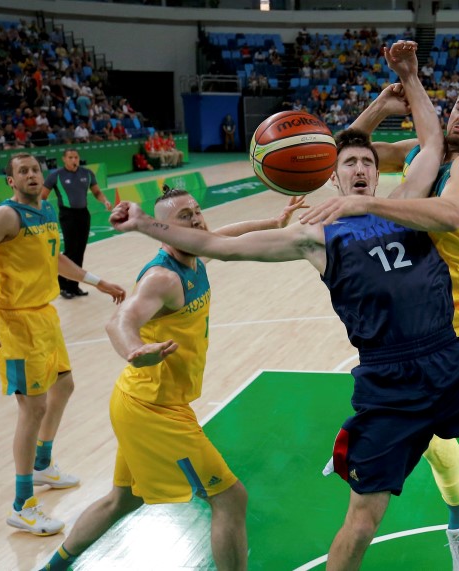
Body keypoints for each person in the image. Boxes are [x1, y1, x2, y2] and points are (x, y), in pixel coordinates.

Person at [111, 42, 459, 571]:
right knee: (358, 528)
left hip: (451, 359)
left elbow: (429, 139)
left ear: (376, 174)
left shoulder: (407, 204)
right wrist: (144, 224)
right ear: (333, 176)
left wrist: (412, 76)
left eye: (365, 162)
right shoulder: (315, 238)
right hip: (389, 385)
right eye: (348, 163)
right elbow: (218, 245)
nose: (358, 168)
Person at [39, 189, 308, 571]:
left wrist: (273, 222)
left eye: (197, 212)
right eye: (185, 216)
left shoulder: (195, 255)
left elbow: (224, 235)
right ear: (164, 230)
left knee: (122, 500)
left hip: (143, 402)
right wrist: (134, 349)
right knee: (231, 499)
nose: (197, 220)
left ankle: (54, 567)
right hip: (153, 409)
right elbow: (117, 320)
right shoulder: (162, 277)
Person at [348, 47, 459, 567]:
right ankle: (366, 435)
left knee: (439, 432)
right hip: (411, 305)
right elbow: (350, 152)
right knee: (402, 404)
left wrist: (370, 204)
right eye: (458, 107)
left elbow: (446, 213)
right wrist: (380, 102)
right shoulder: (430, 151)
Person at [0, 153, 126, 537]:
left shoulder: (46, 210)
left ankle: (43, 464)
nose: (31, 175)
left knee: (64, 386)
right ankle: (22, 505)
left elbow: (56, 259)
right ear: (11, 181)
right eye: (22, 171)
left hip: (44, 316)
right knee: (33, 408)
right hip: (15, 322)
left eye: (34, 169)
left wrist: (98, 281)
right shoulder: (4, 217)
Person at [42, 148, 113, 299]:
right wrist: (43, 213)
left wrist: (105, 200)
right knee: (70, 251)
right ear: (64, 159)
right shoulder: (55, 176)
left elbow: (97, 192)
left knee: (80, 251)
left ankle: (74, 286)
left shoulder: (87, 173)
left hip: (83, 214)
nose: (74, 160)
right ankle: (63, 286)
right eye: (71, 157)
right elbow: (42, 197)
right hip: (67, 215)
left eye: (76, 157)